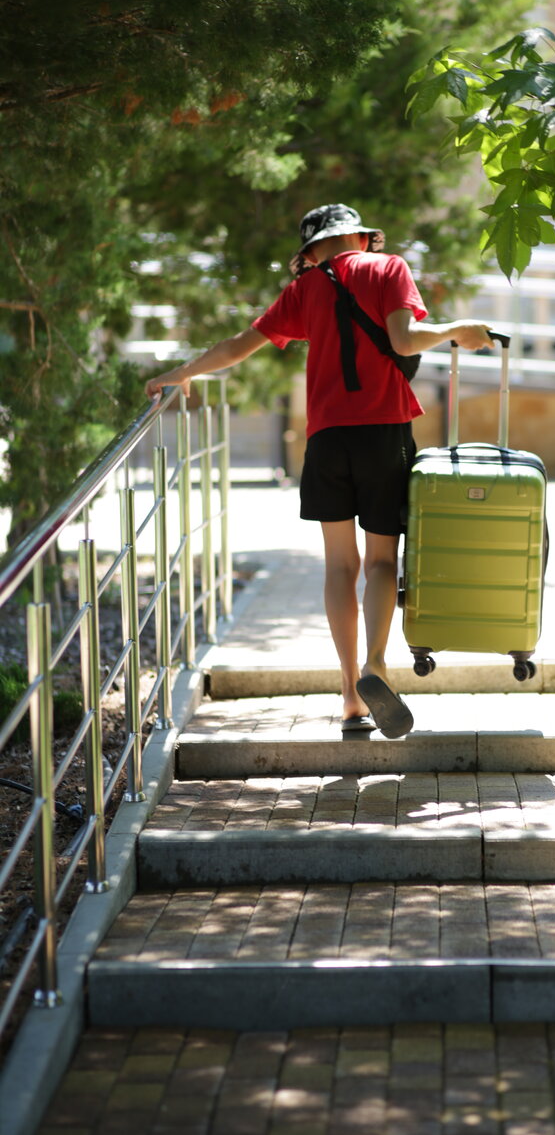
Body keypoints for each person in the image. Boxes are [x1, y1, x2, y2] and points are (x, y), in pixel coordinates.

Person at [145, 202, 494, 737]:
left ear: (310, 251)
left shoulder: (302, 290)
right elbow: (403, 341)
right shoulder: (389, 268)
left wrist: (182, 372)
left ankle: (351, 694)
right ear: (360, 238)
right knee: (382, 561)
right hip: (383, 433)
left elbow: (240, 346)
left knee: (339, 567)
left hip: (327, 438)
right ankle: (377, 663)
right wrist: (458, 331)